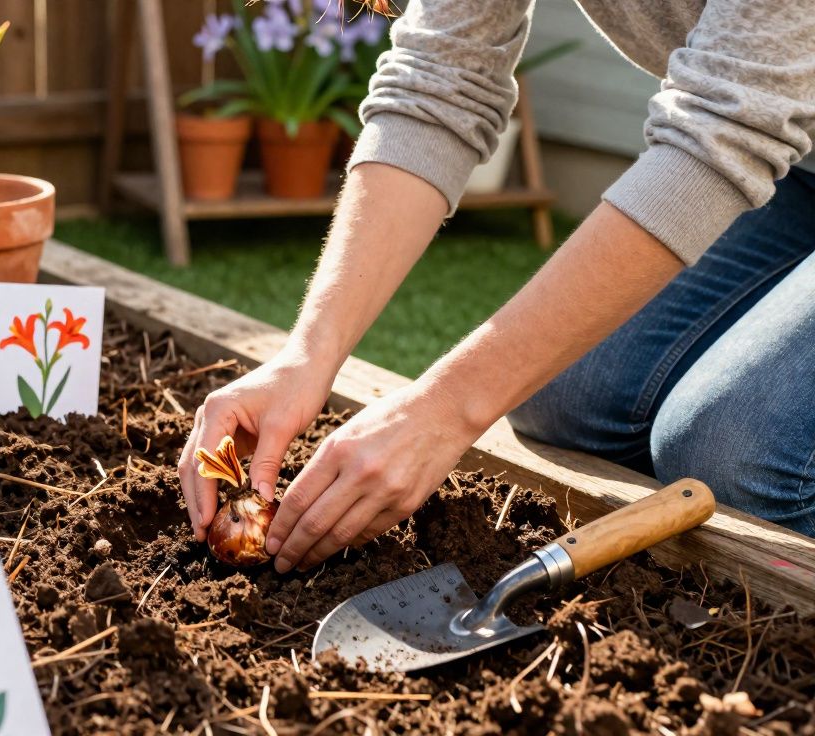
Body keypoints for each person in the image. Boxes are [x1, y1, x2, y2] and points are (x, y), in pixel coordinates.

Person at [178, 0, 815, 573]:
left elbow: (724, 128)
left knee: (736, 454)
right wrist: (306, 355)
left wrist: (445, 409)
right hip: (794, 163)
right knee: (563, 397)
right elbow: (439, 76)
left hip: (757, 131)